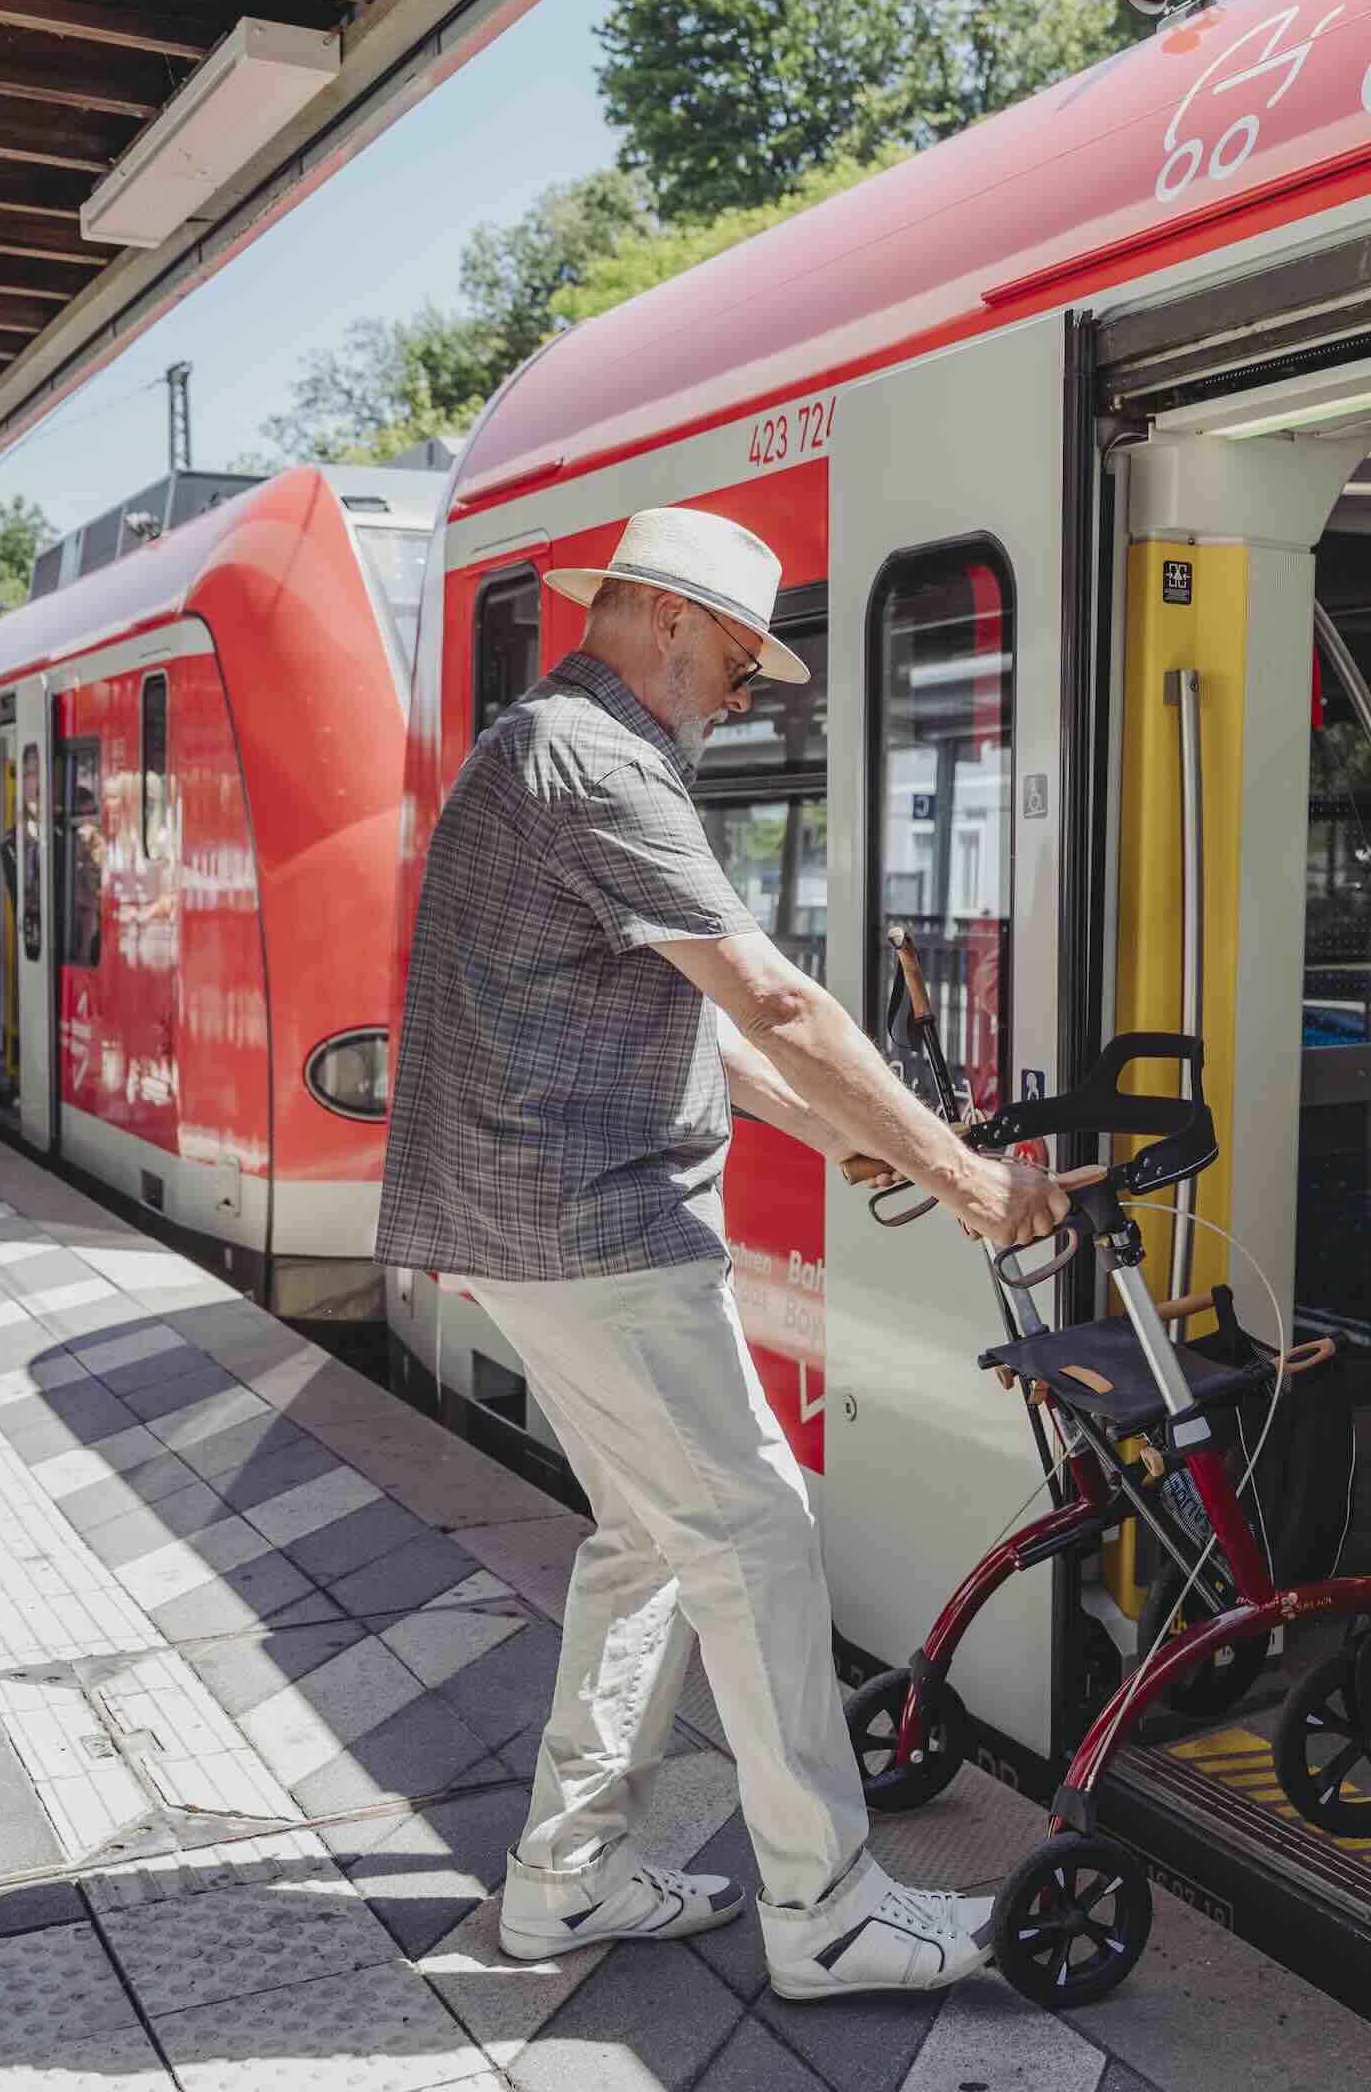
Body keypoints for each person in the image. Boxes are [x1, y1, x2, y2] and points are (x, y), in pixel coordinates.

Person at [380, 506, 1070, 2001]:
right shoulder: (599, 761)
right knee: (755, 1534)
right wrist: (966, 1177)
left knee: (653, 1539)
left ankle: (564, 1882)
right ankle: (825, 1909)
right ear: (669, 621)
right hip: (592, 1224)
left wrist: (847, 1139)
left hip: (542, 1220)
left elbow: (691, 1020)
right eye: (747, 665)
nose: (747, 695)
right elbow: (774, 1003)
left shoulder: (548, 749)